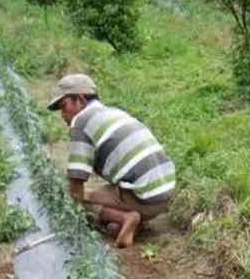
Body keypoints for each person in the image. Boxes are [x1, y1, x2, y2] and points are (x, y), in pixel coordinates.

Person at [47, 73, 176, 248]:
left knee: (78, 197)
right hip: (165, 193)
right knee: (111, 225)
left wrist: (70, 207)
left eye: (64, 106)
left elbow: (77, 181)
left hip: (143, 196)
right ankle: (128, 224)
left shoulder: (81, 122)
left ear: (81, 100)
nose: (63, 115)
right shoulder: (114, 112)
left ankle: (127, 217)